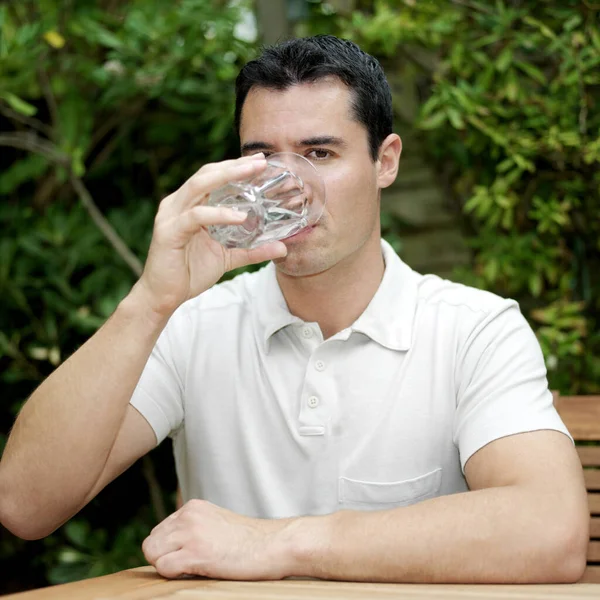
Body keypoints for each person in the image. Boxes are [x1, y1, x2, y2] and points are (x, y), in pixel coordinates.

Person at [0, 35, 589, 584]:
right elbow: (23, 504)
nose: (289, 188)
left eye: (320, 152)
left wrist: (276, 544)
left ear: (385, 161)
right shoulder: (194, 323)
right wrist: (149, 302)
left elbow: (550, 530)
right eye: (263, 158)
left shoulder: (473, 329)